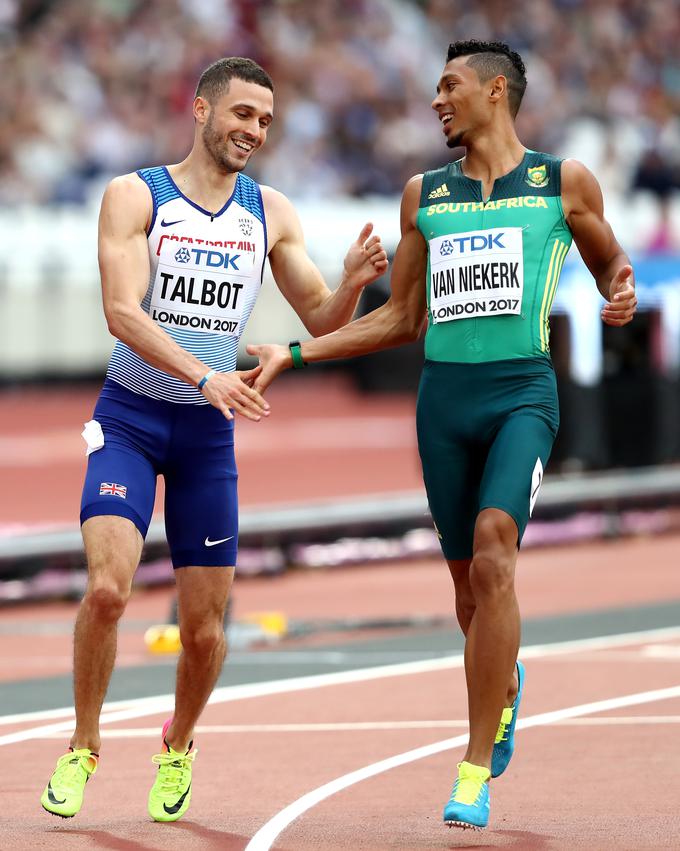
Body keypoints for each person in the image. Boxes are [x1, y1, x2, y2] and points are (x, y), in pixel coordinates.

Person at [249, 40, 637, 831]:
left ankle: (470, 765)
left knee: (497, 545)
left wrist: (619, 290)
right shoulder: (423, 194)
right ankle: (506, 677)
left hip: (521, 394)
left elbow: (611, 260)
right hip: (443, 406)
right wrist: (296, 351)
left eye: (449, 86)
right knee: (470, 593)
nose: (436, 100)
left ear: (497, 91)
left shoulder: (562, 182)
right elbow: (401, 317)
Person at [40, 57, 387, 823]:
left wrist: (355, 278)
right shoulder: (137, 196)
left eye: (265, 120)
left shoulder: (271, 212)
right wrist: (204, 374)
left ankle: (179, 742)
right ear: (201, 111)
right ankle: (85, 743)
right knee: (107, 589)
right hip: (131, 415)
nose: (254, 131)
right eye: (242, 115)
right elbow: (122, 313)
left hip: (205, 438)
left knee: (202, 631)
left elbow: (323, 317)